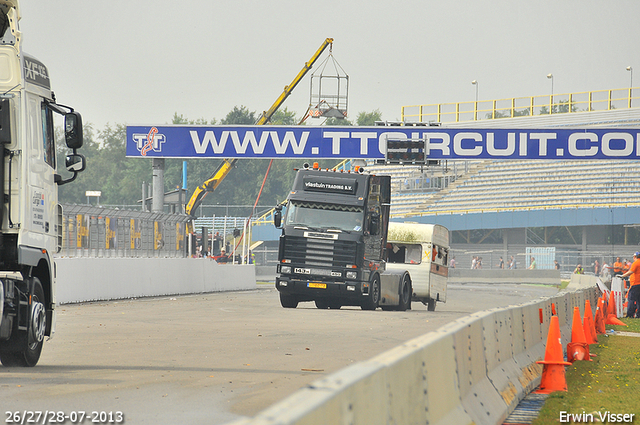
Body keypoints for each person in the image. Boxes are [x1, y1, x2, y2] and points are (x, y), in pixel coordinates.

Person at [621, 252, 640, 318]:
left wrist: (622, 276)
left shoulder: (636, 263)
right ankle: (638, 315)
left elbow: (631, 271)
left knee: (631, 299)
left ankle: (630, 314)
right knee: (638, 300)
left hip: (635, 284)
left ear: (635, 257)